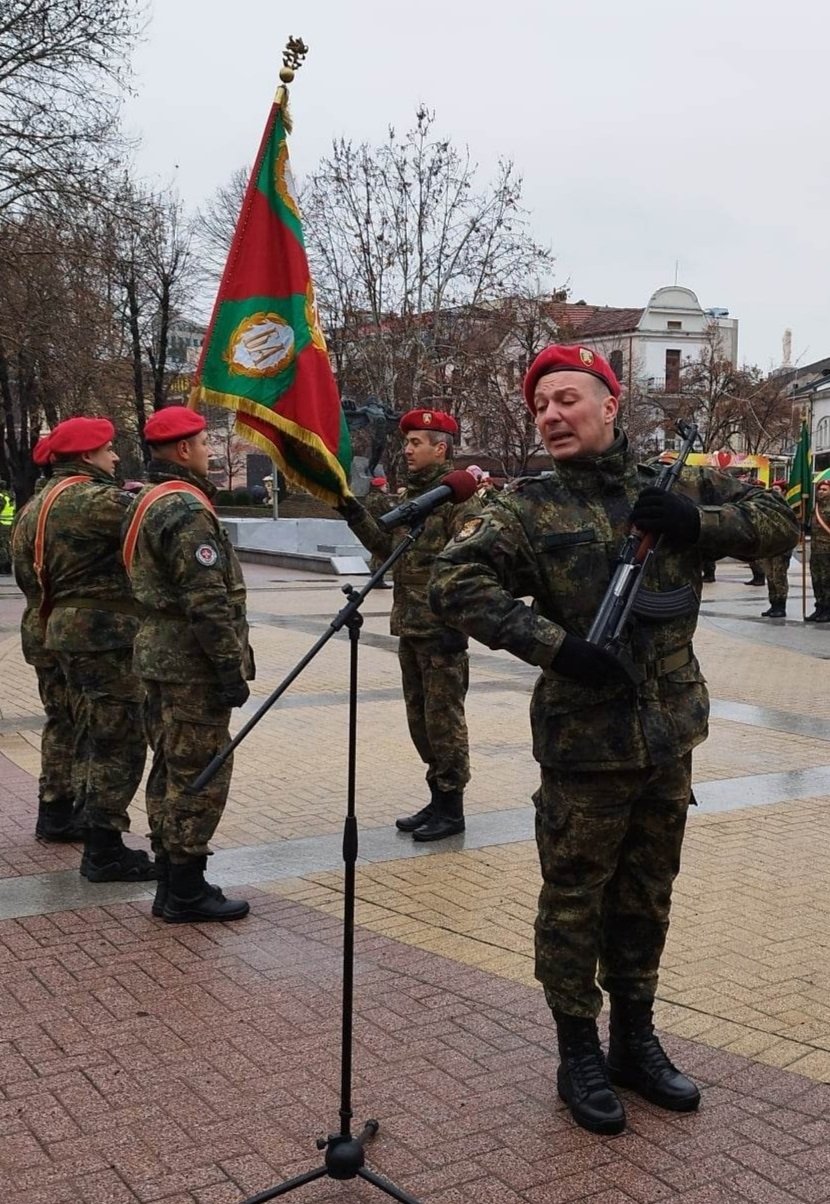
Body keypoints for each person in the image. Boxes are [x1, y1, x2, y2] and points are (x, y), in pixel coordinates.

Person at [429, 344, 799, 1135]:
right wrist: (557, 646)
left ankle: (635, 1041)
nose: (553, 415)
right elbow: (454, 581)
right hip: (583, 744)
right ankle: (578, 1052)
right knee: (573, 902)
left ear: (610, 405)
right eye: (541, 407)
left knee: (646, 897)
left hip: (668, 736)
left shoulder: (677, 484)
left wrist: (699, 522)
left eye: (567, 399)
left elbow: (780, 522)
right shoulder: (524, 507)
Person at [123, 407, 252, 922]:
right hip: (188, 664)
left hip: (158, 656)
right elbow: (206, 599)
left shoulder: (146, 500)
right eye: (202, 443)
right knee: (200, 773)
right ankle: (185, 888)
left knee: (170, 767)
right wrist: (228, 669)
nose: (208, 450)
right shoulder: (185, 509)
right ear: (182, 450)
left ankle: (171, 879)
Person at [338, 409, 481, 841]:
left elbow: (471, 563)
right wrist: (350, 509)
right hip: (411, 629)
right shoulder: (416, 500)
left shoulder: (459, 502)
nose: (407, 449)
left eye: (416, 442)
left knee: (444, 722)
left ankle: (452, 808)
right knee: (420, 721)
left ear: (441, 448)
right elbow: (385, 545)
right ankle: (436, 798)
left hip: (441, 633)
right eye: (406, 442)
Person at [30, 417, 152, 881]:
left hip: (59, 630)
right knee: (118, 739)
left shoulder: (38, 504)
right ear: (86, 457)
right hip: (102, 636)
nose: (115, 457)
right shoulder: (90, 500)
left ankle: (79, 823)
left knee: (81, 728)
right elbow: (159, 513)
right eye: (107, 450)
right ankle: (104, 849)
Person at [10, 437, 83, 842]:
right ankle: (67, 811)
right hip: (68, 630)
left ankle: (54, 809)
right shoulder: (63, 508)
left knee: (60, 720)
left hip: (39, 627)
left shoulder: (28, 511)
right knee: (79, 721)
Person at [760, 480, 792, 618]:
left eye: (777, 489)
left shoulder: (788, 507)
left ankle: (781, 605)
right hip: (768, 547)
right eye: (772, 489)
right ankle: (773, 604)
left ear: (784, 491)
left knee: (779, 577)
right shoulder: (768, 506)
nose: (774, 491)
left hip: (781, 548)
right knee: (770, 576)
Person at [806, 476, 830, 623]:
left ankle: (828, 610)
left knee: (827, 581)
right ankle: (819, 607)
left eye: (824, 490)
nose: (821, 492)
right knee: (817, 580)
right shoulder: (815, 508)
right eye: (820, 490)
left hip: (828, 551)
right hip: (816, 551)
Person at [363, 476, 394, 587]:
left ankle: (374, 577)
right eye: (385, 486)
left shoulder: (368, 497)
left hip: (372, 527)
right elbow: (389, 511)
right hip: (383, 528)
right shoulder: (382, 498)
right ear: (380, 486)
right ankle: (378, 579)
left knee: (375, 554)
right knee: (381, 555)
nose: (386, 488)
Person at [0, 478, 14, 573]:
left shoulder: (1, 497)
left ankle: (3, 566)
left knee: (2, 545)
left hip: (2, 524)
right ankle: (7, 566)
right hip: (9, 523)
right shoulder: (9, 495)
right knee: (7, 545)